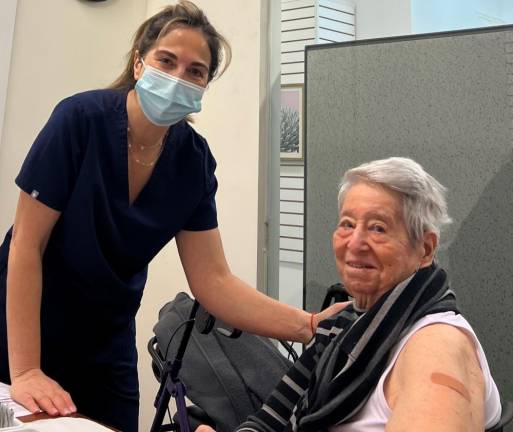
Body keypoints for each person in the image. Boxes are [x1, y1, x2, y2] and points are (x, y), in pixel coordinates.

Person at [0, 2, 342, 431]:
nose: (180, 77)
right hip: (22, 330)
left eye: (196, 71)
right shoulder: (79, 120)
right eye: (167, 60)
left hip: (106, 341)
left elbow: (214, 283)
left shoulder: (193, 162)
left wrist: (308, 325)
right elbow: (26, 247)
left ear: (205, 85)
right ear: (139, 63)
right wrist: (27, 370)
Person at [198, 157, 502, 432]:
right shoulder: (343, 325)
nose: (355, 242)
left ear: (425, 249)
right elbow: (270, 420)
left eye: (378, 228)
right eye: (347, 224)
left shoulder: (436, 347)